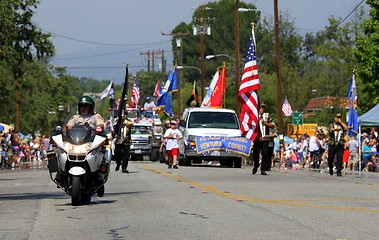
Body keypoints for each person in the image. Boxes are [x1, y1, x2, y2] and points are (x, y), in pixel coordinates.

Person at [252, 103, 276, 175]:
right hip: (257, 138)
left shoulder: (267, 116)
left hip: (265, 138)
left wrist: (265, 123)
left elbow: (273, 126)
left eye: (263, 108)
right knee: (255, 154)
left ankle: (263, 169)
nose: (262, 109)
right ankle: (256, 165)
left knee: (265, 154)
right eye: (261, 108)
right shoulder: (254, 116)